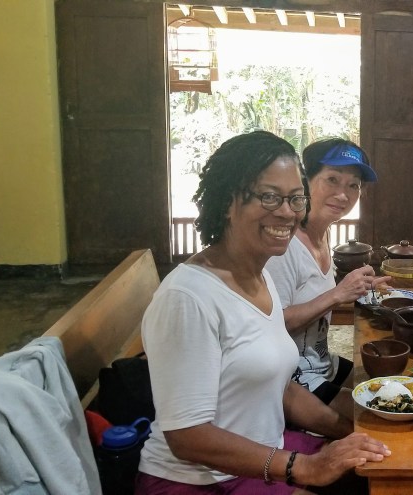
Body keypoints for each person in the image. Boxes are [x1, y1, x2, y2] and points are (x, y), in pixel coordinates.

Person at [136, 131, 389, 493]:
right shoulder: (187, 297)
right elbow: (187, 437)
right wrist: (303, 467)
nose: (286, 212)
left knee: (384, 464)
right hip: (200, 479)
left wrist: (354, 431)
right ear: (227, 201)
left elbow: (282, 389)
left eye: (294, 199)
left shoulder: (260, 276)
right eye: (269, 197)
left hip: (267, 450)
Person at [265, 138, 389, 421]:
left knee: (388, 384)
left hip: (320, 362)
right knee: (375, 420)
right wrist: (337, 294)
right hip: (289, 376)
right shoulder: (283, 246)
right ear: (305, 182)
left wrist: (359, 290)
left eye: (353, 185)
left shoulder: (322, 237)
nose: (343, 194)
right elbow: (271, 324)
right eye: (332, 179)